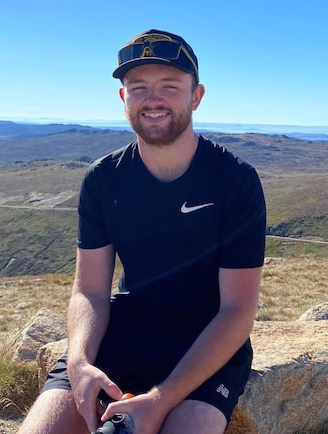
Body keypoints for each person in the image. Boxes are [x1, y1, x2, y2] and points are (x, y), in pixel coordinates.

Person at [18, 29, 267, 434]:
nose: (153, 99)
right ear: (124, 99)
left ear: (196, 96)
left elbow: (237, 311)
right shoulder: (103, 180)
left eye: (170, 86)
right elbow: (90, 292)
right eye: (139, 88)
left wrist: (161, 400)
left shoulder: (235, 181)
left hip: (207, 343)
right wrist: (79, 362)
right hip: (124, 331)